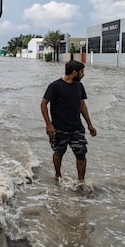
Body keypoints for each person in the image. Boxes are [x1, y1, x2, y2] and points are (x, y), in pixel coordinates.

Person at [41, 61, 97, 193]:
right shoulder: (55, 86)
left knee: (81, 153)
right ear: (74, 72)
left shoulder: (79, 86)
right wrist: (49, 124)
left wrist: (89, 124)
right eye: (81, 72)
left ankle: (81, 182)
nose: (83, 74)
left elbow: (82, 104)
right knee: (58, 153)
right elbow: (43, 104)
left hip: (77, 128)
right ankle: (57, 175)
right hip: (59, 128)